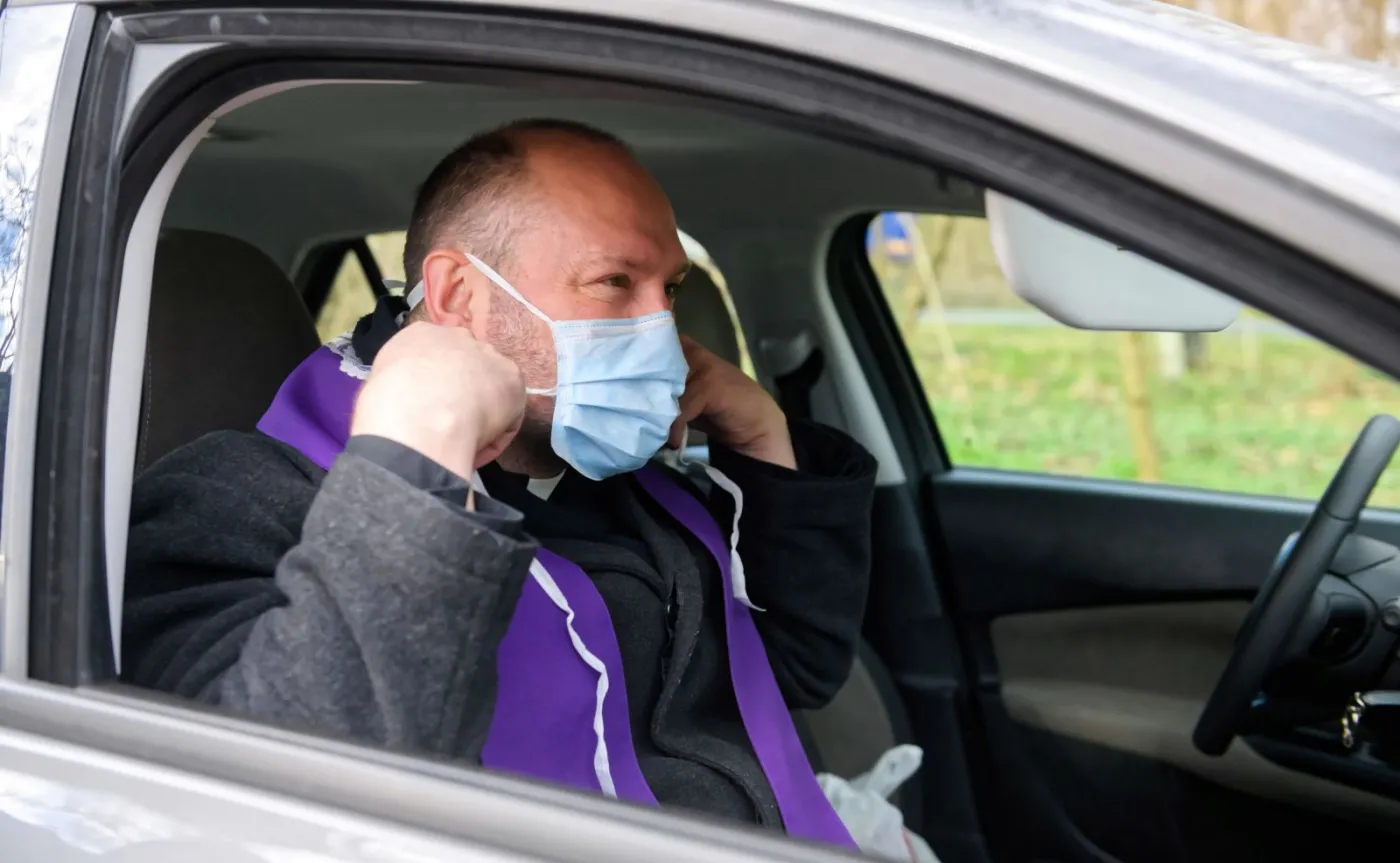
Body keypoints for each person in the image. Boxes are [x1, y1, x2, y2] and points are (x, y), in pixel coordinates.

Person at [122, 119, 876, 848]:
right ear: (457, 296)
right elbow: (279, 815)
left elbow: (794, 675)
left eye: (670, 289)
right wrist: (417, 457)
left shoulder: (640, 479)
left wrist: (765, 441)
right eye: (614, 281)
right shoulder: (230, 499)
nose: (666, 338)